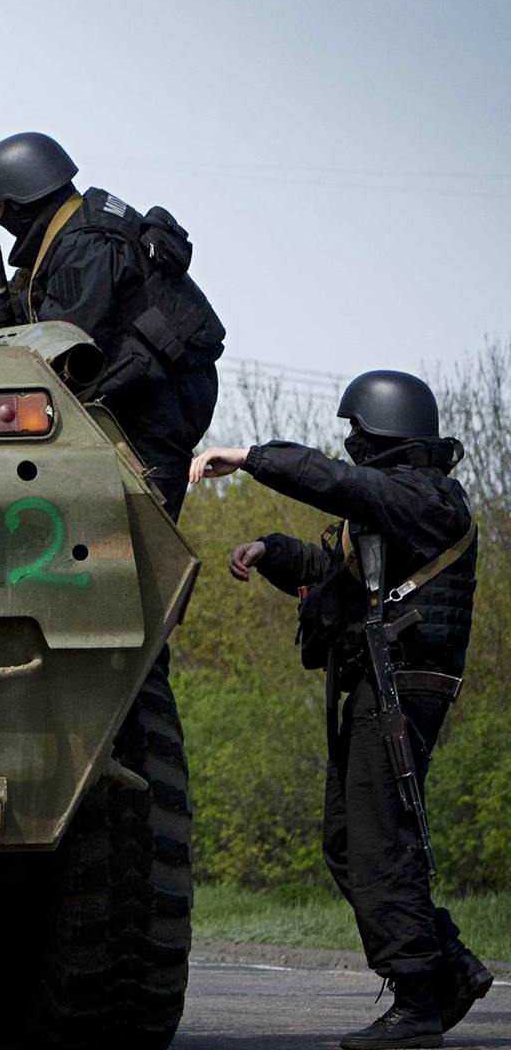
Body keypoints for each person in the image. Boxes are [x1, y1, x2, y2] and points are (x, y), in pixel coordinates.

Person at [191, 370, 489, 1047]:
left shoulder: (427, 500)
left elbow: (337, 481)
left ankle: (417, 999)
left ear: (386, 433)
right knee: (350, 841)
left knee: (382, 841)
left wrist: (248, 457)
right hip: (380, 687)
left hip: (404, 688)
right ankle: (446, 963)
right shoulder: (397, 511)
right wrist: (270, 552)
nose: (352, 445)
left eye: (359, 432)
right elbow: (339, 584)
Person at [0, 131, 223, 515]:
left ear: (24, 198)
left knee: (135, 538)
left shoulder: (87, 246)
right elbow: (23, 307)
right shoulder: (70, 234)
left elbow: (58, 340)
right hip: (139, 408)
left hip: (155, 415)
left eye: (2, 207)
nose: (2, 219)